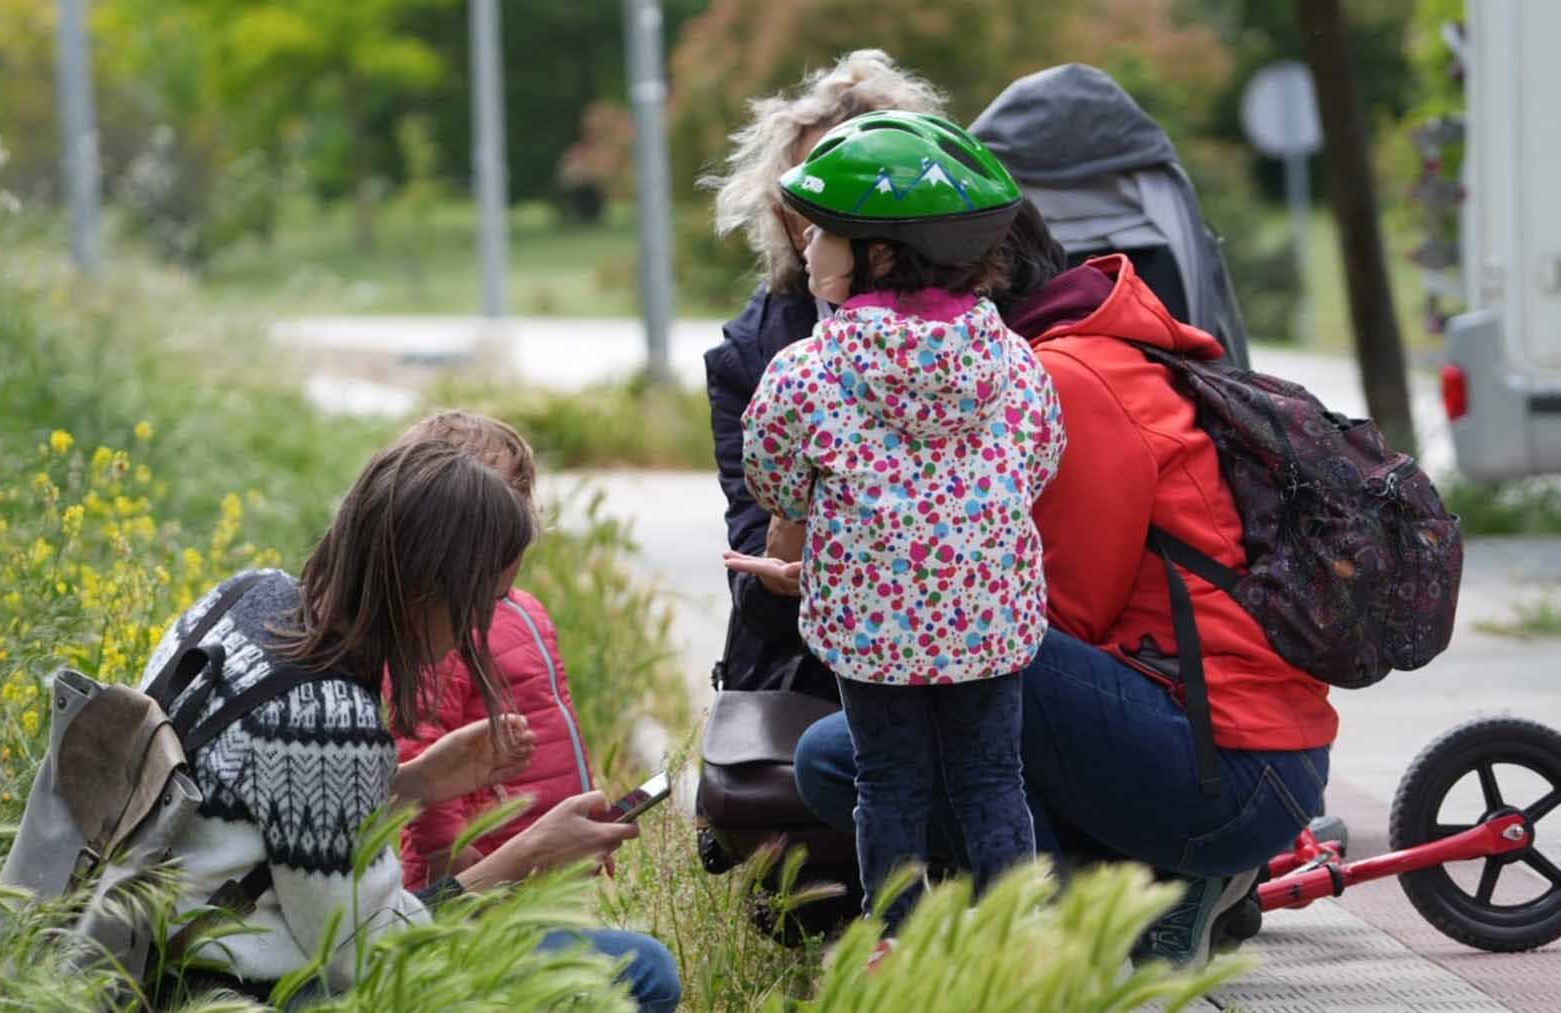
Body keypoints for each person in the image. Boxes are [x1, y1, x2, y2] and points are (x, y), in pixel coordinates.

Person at [792, 248, 1336, 965]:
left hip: (1230, 772)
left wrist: (885, 574)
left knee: (932, 679)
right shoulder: (1082, 346)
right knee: (861, 747)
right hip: (1225, 742)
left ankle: (1096, 923)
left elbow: (1065, 611)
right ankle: (1122, 899)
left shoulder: (1063, 375)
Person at [144, 424, 679, 1010]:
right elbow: (369, 954)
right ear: (428, 588)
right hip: (238, 990)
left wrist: (412, 784)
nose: (479, 628)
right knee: (643, 973)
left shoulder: (250, 596)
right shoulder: (325, 717)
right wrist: (527, 858)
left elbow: (259, 818)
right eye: (488, 600)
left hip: (160, 945)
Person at [735, 110, 1065, 933]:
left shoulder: (809, 369)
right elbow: (1040, 458)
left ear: (877, 253)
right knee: (994, 781)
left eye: (822, 235)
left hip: (874, 632)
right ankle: (1018, 946)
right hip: (989, 621)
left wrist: (823, 507)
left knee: (889, 784)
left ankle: (901, 946)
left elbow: (773, 477)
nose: (806, 249)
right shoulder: (1013, 358)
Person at [702, 49, 948, 701]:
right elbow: (754, 577)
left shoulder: (982, 328)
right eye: (807, 185)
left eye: (857, 180)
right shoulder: (750, 358)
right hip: (808, 673)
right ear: (780, 206)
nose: (824, 207)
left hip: (965, 652)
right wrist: (778, 574)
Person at [387, 412, 596, 892]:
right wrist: (455, 858)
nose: (513, 515)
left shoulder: (528, 612)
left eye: (519, 495)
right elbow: (424, 755)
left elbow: (552, 723)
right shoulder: (437, 631)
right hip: (486, 865)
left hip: (546, 850)